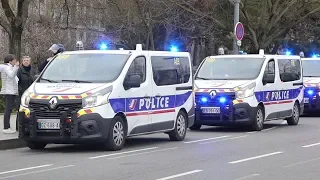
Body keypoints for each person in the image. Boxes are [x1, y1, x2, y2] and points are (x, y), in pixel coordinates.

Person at [1, 54, 19, 134]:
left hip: (10, 91)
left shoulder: (8, 67)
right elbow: (11, 75)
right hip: (9, 91)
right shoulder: (7, 67)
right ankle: (6, 127)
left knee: (9, 109)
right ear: (10, 60)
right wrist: (16, 67)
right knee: (8, 109)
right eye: (14, 60)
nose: (15, 61)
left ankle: (7, 126)